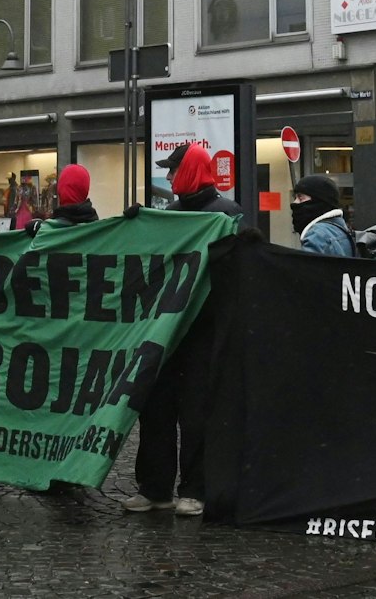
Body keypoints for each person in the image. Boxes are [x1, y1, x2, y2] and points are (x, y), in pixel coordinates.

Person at [128, 143, 244, 518]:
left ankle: (195, 489)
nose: (169, 178)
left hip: (204, 334)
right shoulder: (170, 214)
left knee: (197, 415)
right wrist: (136, 225)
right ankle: (154, 488)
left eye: (174, 171)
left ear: (190, 171)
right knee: (156, 412)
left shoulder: (227, 215)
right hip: (166, 332)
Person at [293, 175, 353, 257]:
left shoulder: (317, 236)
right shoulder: (340, 229)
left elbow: (304, 268)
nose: (295, 202)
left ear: (318, 200)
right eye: (295, 197)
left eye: (300, 197)